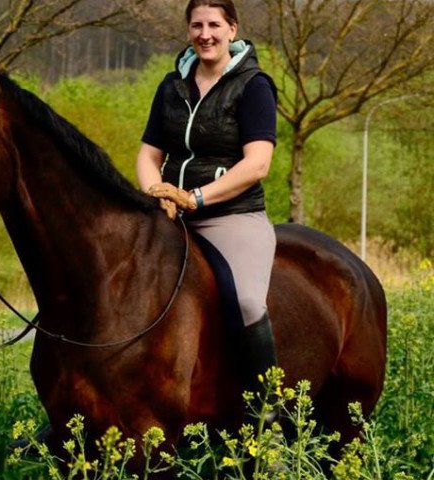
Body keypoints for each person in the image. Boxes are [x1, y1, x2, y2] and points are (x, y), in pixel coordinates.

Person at [136, 0, 278, 399]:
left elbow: (257, 164)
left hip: (231, 216)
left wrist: (194, 197)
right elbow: (149, 154)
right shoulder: (172, 85)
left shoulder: (254, 86)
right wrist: (156, 192)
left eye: (214, 25)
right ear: (188, 31)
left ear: (232, 29)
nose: (205, 34)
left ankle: (268, 417)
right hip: (168, 213)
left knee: (249, 303)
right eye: (197, 25)